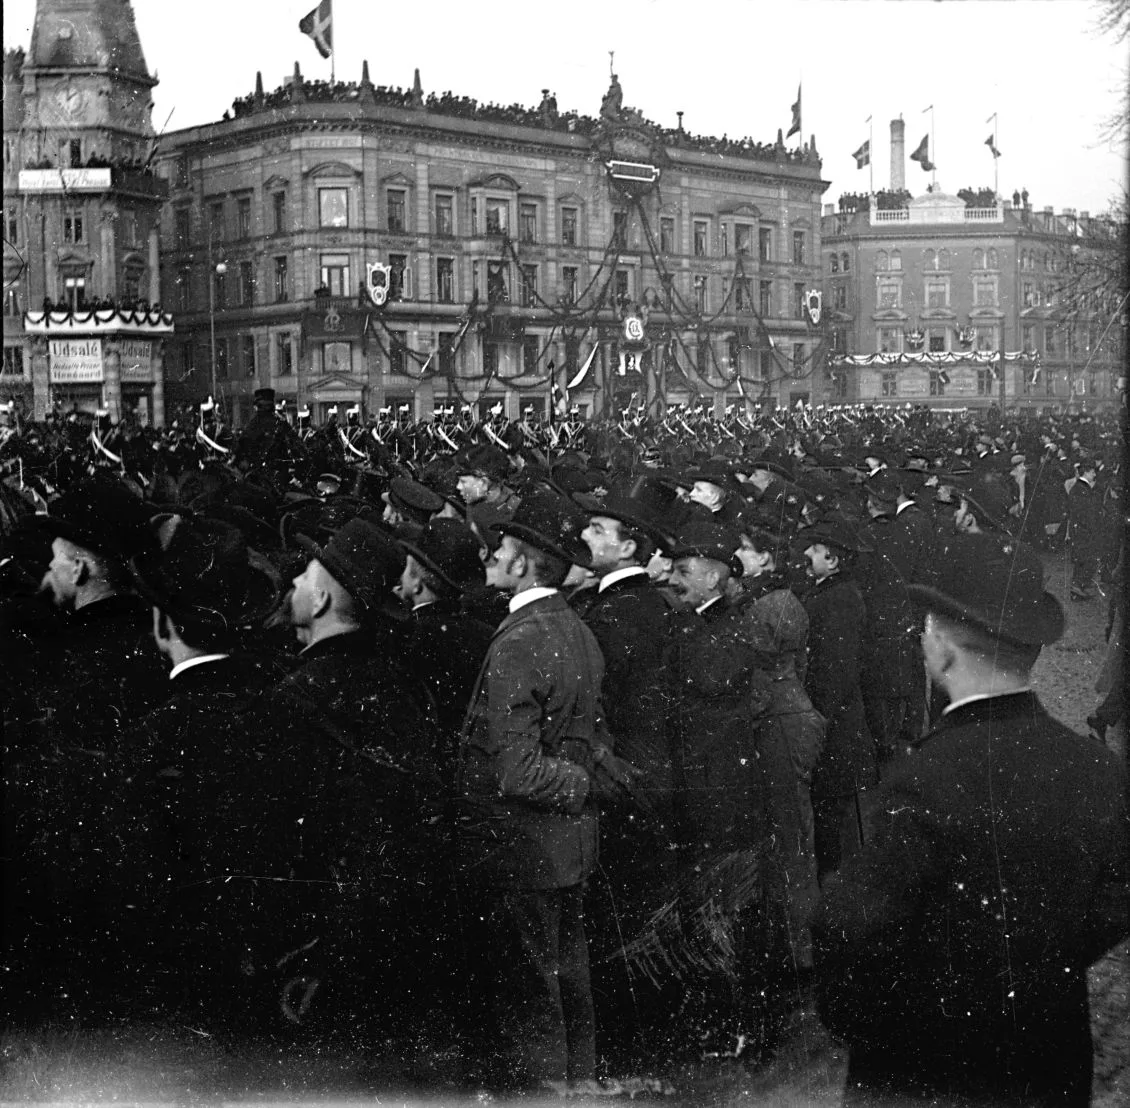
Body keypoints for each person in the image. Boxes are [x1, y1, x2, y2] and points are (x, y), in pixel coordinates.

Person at [812, 532, 1128, 1107]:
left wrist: (867, 1022)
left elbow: (850, 926)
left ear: (939, 646)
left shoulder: (922, 777)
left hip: (923, 1064)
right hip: (1046, 1055)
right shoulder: (1095, 769)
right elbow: (1114, 901)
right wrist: (1038, 957)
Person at [453, 492, 618, 1092]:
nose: (490, 556)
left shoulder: (520, 639)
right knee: (570, 986)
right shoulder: (576, 628)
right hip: (568, 850)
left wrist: (579, 785)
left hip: (522, 848)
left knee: (530, 998)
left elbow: (517, 772)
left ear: (522, 564)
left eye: (500, 549)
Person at [800, 516, 877, 882]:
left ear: (832, 560)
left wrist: (816, 720)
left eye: (813, 550)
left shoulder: (839, 601)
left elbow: (835, 673)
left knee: (831, 816)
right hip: (834, 723)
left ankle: (834, 885)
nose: (805, 554)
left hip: (835, 728)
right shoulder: (831, 592)